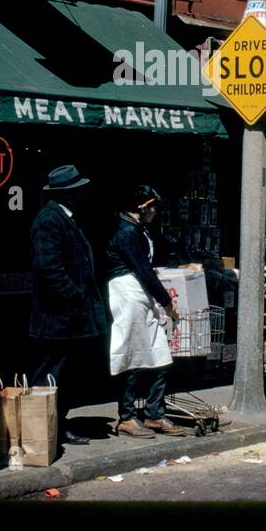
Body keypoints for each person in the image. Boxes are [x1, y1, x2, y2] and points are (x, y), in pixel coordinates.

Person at [29, 165, 107, 447]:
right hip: (57, 319)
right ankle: (43, 433)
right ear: (69, 194)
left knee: (63, 377)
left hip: (68, 319)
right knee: (50, 376)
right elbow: (49, 268)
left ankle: (57, 428)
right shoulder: (49, 220)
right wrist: (74, 298)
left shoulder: (65, 218)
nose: (83, 196)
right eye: (79, 191)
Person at [104, 185, 192, 439]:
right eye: (153, 207)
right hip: (127, 294)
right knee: (132, 355)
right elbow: (142, 269)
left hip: (141, 294)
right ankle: (128, 417)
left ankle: (154, 413)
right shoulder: (126, 233)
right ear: (142, 208)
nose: (155, 212)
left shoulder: (136, 229)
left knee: (159, 354)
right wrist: (166, 301)